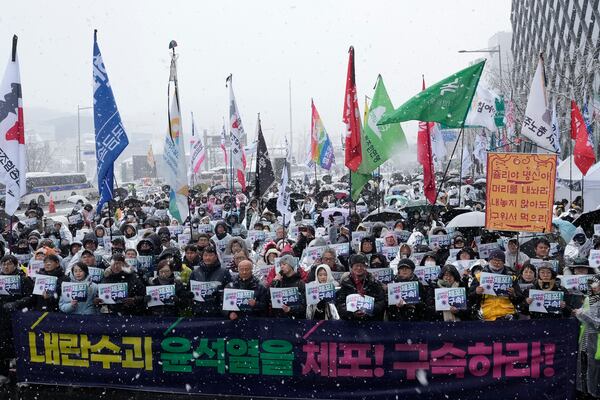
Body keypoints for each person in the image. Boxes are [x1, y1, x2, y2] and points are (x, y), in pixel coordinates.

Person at [0, 255, 34, 382]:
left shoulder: (24, 279)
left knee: (20, 347)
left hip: (18, 318)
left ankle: (23, 376)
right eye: (3, 264)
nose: (5, 266)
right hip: (2, 319)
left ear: (15, 265)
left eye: (9, 264)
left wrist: (17, 304)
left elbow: (31, 297)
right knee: (2, 348)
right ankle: (3, 374)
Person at [469, 250, 524, 321]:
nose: (496, 262)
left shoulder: (511, 277)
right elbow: (470, 297)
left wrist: (514, 294)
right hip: (485, 315)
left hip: (508, 314)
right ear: (489, 261)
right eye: (494, 260)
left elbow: (520, 298)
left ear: (504, 262)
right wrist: (476, 292)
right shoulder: (479, 277)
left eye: (499, 260)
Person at [336, 254, 386, 321]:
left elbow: (381, 302)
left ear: (365, 267)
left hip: (371, 321)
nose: (359, 268)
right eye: (356, 265)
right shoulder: (345, 283)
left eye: (361, 265)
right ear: (352, 267)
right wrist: (352, 313)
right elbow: (340, 304)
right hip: (350, 322)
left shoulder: (374, 283)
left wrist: (368, 310)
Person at [574, 274, 600, 398]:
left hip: (597, 341)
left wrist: (582, 315)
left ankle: (593, 393)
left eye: (597, 285)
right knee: (584, 367)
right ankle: (585, 392)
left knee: (595, 369)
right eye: (593, 285)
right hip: (585, 340)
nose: (595, 287)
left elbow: (598, 324)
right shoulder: (588, 299)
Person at [189, 245, 232, 318]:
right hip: (198, 311)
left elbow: (230, 291)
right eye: (205, 255)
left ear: (216, 256)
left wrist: (219, 294)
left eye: (210, 255)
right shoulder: (195, 272)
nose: (208, 258)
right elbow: (189, 289)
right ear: (202, 257)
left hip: (217, 312)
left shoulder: (224, 272)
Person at [270, 254, 306, 319]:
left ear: (291, 265)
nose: (281, 267)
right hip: (279, 319)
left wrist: (290, 309)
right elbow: (269, 298)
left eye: (284, 264)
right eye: (280, 265)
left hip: (295, 321)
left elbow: (303, 306)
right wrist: (274, 282)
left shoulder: (300, 283)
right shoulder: (279, 281)